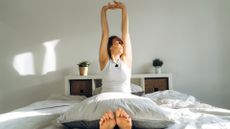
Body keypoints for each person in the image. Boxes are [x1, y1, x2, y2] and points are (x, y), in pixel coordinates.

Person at [99, 1, 133, 129]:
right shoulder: (104, 60)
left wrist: (123, 9)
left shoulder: (126, 60)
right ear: (110, 47)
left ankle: (120, 124)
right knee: (109, 111)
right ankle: (113, 123)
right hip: (106, 99)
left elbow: (126, 33)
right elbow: (105, 33)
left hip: (126, 98)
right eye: (118, 42)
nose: (122, 44)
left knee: (121, 112)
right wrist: (104, 10)